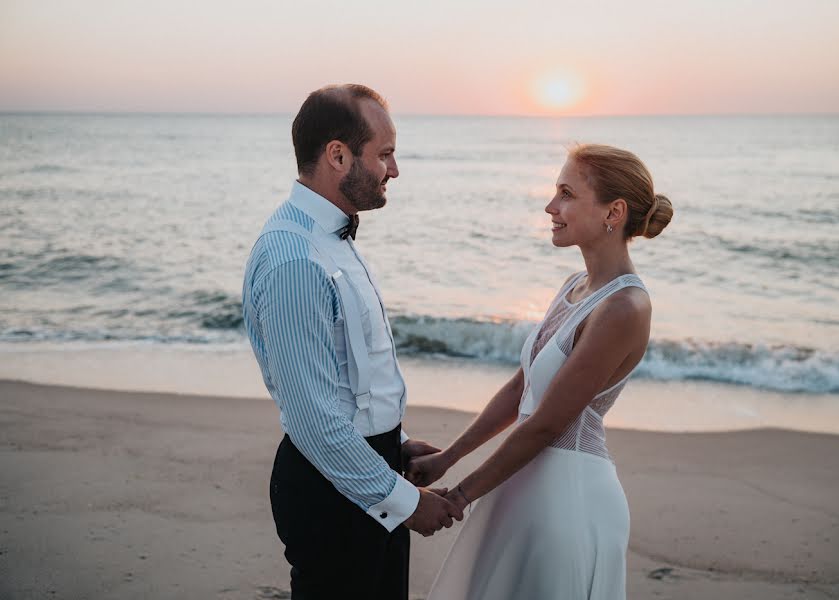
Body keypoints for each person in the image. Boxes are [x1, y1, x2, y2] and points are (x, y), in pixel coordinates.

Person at [406, 144, 674, 599]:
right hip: (520, 486)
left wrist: (459, 497)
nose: (551, 206)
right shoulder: (575, 287)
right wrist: (448, 457)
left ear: (615, 211)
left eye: (566, 193)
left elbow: (548, 423)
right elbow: (521, 388)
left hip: (566, 499)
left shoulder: (624, 306)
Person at [242, 84, 463, 600]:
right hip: (331, 489)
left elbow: (350, 374)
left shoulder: (329, 239)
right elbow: (313, 418)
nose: (394, 169)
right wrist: (406, 502)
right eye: (384, 154)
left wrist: (393, 441)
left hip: (368, 465)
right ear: (337, 155)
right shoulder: (296, 259)